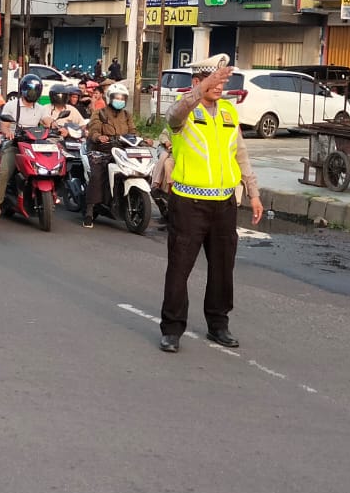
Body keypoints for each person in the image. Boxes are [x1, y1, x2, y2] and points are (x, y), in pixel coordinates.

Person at [158, 54, 262, 353]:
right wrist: (200, 90)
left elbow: (240, 153)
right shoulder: (185, 112)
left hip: (224, 204)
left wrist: (253, 192)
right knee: (180, 268)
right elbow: (173, 115)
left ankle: (218, 324)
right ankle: (172, 329)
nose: (218, 86)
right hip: (189, 204)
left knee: (222, 269)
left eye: (221, 81)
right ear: (197, 82)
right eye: (212, 81)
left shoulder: (228, 111)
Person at [0, 73, 54, 232]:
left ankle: (52, 194)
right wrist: (8, 133)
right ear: (23, 90)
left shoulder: (40, 108)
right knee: (5, 172)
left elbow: (47, 120)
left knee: (51, 163)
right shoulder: (11, 105)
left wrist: (56, 126)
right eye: (30, 89)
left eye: (36, 89)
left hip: (34, 146)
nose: (32, 92)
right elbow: (4, 125)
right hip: (14, 145)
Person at [82, 81, 135, 229]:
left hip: (121, 150)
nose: (120, 100)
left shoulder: (127, 115)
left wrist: (142, 140)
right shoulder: (99, 113)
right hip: (101, 149)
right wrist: (99, 137)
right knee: (97, 175)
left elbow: (133, 132)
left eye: (122, 98)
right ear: (110, 98)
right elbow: (93, 130)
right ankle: (89, 210)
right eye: (117, 97)